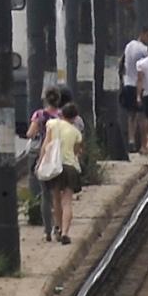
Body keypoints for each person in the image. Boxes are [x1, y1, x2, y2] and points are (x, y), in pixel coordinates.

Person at [38, 99, 86, 245]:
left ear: (62, 113)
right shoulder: (76, 133)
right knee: (67, 202)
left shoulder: (52, 124)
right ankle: (65, 232)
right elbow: (76, 153)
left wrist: (40, 163)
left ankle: (57, 228)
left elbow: (45, 145)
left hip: (55, 166)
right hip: (70, 167)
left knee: (56, 199)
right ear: (75, 117)